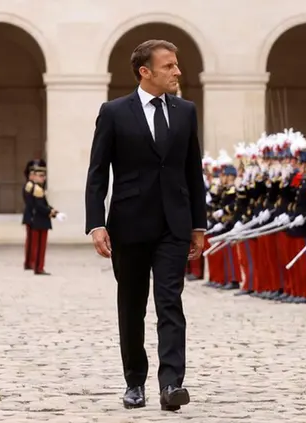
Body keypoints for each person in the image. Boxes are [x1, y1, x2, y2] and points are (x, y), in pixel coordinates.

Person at [84, 39, 206, 411]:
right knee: (132, 305)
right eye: (169, 66)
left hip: (174, 224)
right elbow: (97, 173)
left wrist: (198, 225)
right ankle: (134, 382)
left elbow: (192, 171)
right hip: (130, 224)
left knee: (170, 302)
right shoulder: (114, 112)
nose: (177, 72)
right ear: (145, 72)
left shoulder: (185, 111)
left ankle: (172, 385)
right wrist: (96, 223)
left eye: (176, 65)